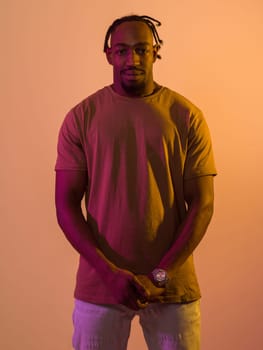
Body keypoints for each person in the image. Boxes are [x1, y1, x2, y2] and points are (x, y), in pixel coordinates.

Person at [55, 14, 217, 350]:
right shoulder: (82, 117)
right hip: (100, 285)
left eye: (142, 49)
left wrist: (161, 274)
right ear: (108, 54)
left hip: (172, 287)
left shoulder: (185, 116)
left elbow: (203, 203)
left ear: (157, 51)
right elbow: (66, 204)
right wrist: (110, 273)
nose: (133, 59)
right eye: (123, 51)